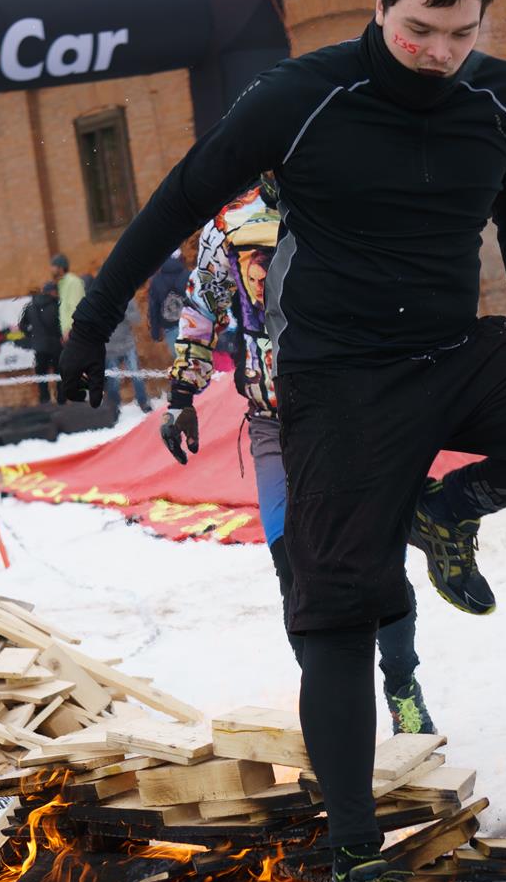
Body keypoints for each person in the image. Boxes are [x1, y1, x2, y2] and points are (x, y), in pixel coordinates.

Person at [58, 0, 506, 882]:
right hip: (338, 382)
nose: (438, 52)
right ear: (380, 5)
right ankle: (356, 868)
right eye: (419, 28)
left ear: (482, 18)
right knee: (336, 613)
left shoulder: (499, 99)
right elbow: (181, 197)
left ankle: (449, 507)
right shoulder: (301, 97)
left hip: (454, 351)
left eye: (460, 32)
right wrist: (93, 319)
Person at [159, 176, 435, 734]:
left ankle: (402, 686)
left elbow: (397, 294)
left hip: (351, 417)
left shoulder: (349, 196)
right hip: (273, 425)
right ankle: (332, 713)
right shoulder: (229, 223)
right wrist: (182, 395)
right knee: (295, 570)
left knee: (377, 561)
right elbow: (203, 307)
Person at [19, 282, 62, 404]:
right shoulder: (56, 305)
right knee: (59, 374)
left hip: (40, 346)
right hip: (56, 345)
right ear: (52, 292)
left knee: (41, 375)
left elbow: (22, 325)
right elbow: (59, 326)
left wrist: (32, 335)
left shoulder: (30, 306)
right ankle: (61, 399)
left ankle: (44, 399)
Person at [105, 296, 151, 413]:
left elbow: (137, 319)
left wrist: (125, 313)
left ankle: (143, 402)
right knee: (113, 381)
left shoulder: (127, 298)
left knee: (136, 374)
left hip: (128, 345)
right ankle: (114, 408)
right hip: (110, 348)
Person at [148, 249, 188, 355]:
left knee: (180, 359)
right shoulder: (189, 275)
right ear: (180, 258)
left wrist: (155, 332)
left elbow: (154, 308)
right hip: (191, 325)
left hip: (170, 326)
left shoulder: (156, 280)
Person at [50, 254, 85, 339]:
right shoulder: (62, 283)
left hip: (75, 332)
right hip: (68, 333)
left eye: (53, 266)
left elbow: (76, 306)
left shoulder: (73, 282)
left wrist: (70, 329)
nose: (51, 269)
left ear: (61, 267)